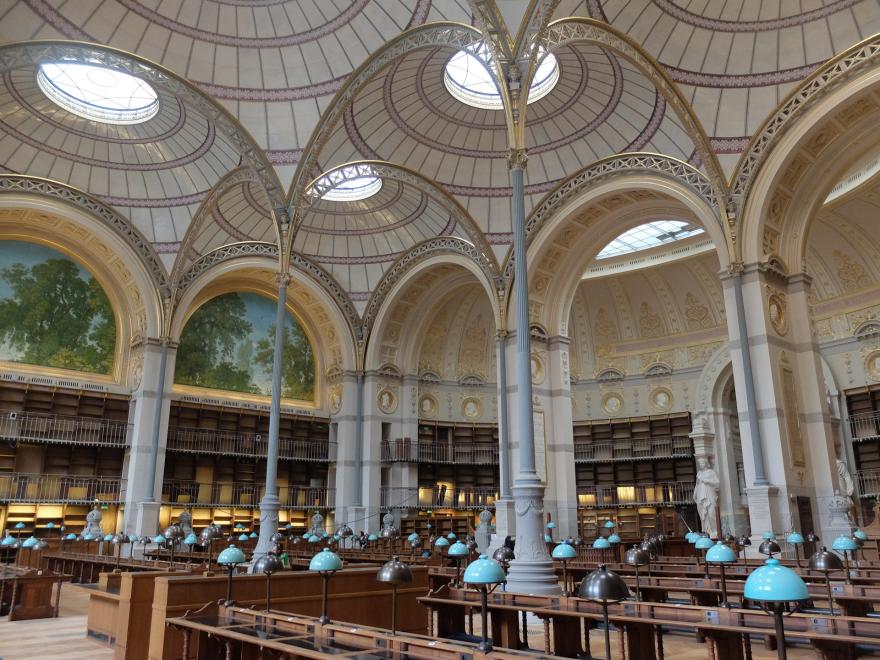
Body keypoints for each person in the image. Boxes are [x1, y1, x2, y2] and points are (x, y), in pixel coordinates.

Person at [693, 457, 720, 539]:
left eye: (702, 463)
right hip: (700, 495)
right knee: (703, 515)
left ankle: (715, 531)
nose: (701, 465)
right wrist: (694, 494)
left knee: (711, 513)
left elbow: (717, 483)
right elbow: (697, 485)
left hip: (709, 494)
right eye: (700, 463)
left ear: (706, 463)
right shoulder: (699, 473)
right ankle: (706, 531)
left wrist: (707, 481)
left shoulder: (711, 472)